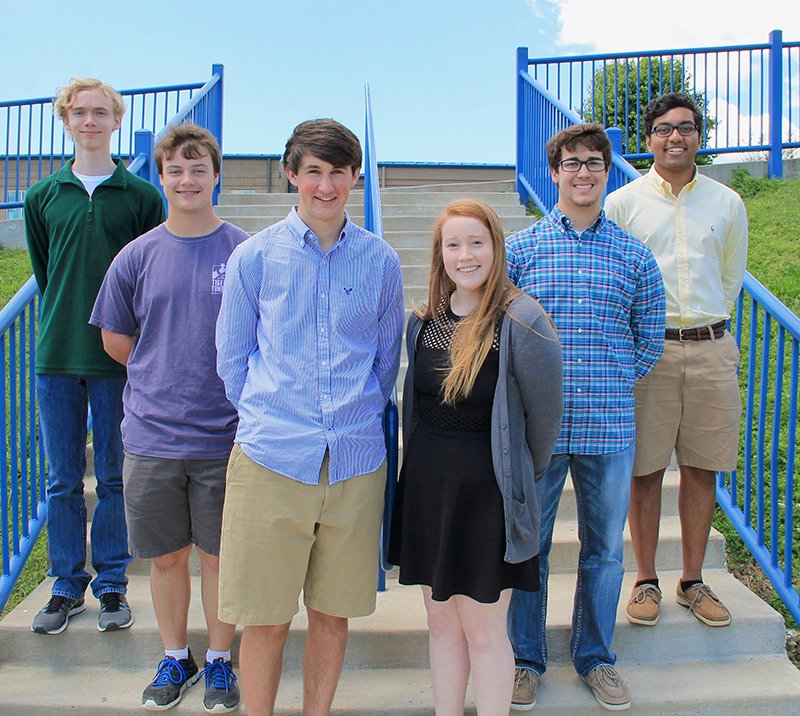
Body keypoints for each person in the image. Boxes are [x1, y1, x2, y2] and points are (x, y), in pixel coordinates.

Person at [214, 118, 404, 716]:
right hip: (271, 457)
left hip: (353, 461)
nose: (325, 186)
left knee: (331, 614)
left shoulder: (381, 261)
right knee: (263, 620)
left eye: (338, 173)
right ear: (291, 175)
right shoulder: (254, 257)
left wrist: (350, 420)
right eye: (312, 172)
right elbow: (231, 361)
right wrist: (276, 418)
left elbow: (385, 361)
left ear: (355, 178)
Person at [506, 124, 666, 711]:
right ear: (554, 173)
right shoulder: (520, 251)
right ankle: (525, 658)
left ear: (607, 171)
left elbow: (649, 336)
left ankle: (596, 658)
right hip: (536, 431)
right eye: (571, 163)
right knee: (529, 546)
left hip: (608, 425)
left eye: (594, 163)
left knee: (604, 551)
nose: (583, 172)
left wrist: (617, 377)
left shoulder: (633, 254)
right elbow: (502, 338)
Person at [90, 125, 246, 712]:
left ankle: (221, 662)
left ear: (215, 175)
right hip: (152, 435)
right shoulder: (137, 254)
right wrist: (162, 371)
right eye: (176, 170)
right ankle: (175, 655)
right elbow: (114, 337)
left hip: (226, 436)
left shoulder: (242, 251)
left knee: (219, 557)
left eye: (198, 168)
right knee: (165, 556)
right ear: (162, 178)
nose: (187, 180)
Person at [388, 199, 562, 715]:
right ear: (440, 254)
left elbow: (544, 420)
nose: (465, 255)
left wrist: (511, 483)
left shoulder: (522, 319)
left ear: (496, 248)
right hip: (427, 492)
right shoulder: (424, 321)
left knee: (484, 631)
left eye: (476, 242)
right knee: (441, 625)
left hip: (485, 497)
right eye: (453, 245)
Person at [24, 77, 164, 635]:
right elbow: (45, 270)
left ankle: (111, 585)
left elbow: (151, 277)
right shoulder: (43, 196)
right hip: (58, 355)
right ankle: (65, 586)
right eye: (79, 113)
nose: (89, 121)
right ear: (65, 120)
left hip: (115, 358)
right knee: (61, 480)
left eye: (100, 112)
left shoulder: (141, 198)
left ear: (116, 120)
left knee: (112, 477)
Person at [605, 93, 748, 630]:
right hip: (650, 351)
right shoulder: (624, 204)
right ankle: (645, 579)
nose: (675, 138)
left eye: (686, 128)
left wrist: (709, 327)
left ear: (698, 136)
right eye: (664, 129)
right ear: (648, 139)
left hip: (711, 348)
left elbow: (730, 277)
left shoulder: (727, 202)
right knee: (644, 472)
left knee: (702, 467)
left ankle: (692, 580)